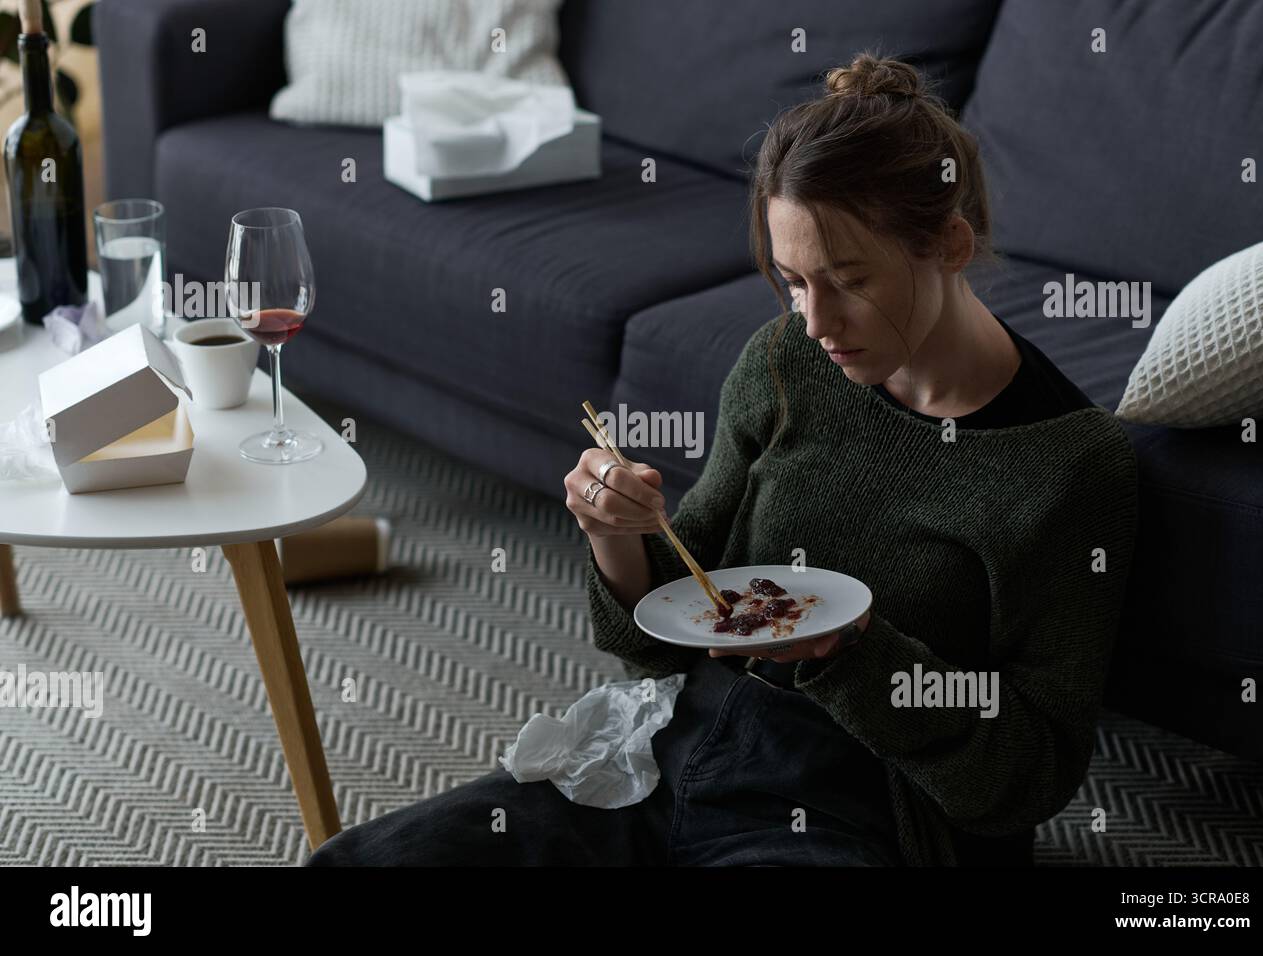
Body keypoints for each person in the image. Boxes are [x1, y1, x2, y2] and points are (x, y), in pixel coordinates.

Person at [306, 51, 1139, 867]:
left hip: (856, 806)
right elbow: (665, 633)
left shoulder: (1066, 467)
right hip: (664, 756)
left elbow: (1030, 775)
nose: (816, 321)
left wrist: (852, 655)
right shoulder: (784, 361)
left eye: (850, 280)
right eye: (793, 280)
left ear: (950, 245)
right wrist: (614, 532)